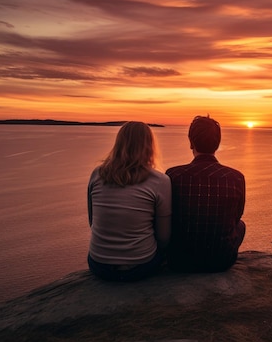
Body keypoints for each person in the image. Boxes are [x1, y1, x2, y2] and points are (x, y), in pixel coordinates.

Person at [87, 121, 172, 281]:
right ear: (149, 146)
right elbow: (163, 238)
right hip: (141, 266)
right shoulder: (160, 181)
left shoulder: (97, 174)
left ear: (119, 143)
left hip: (99, 265)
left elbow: (92, 222)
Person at [165, 115, 246, 272]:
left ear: (191, 142)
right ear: (218, 143)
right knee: (241, 225)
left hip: (179, 260)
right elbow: (236, 217)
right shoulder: (236, 177)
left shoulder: (173, 175)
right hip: (221, 261)